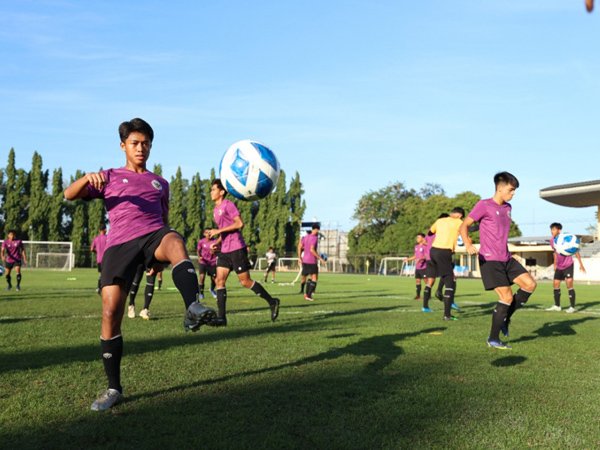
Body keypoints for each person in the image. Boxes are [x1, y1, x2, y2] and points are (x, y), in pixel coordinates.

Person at [64, 118, 215, 411]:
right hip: (119, 245)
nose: (141, 148)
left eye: (146, 143)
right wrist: (87, 178)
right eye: (135, 143)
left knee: (175, 240)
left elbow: (165, 220)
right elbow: (69, 195)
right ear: (123, 146)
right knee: (110, 313)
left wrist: (159, 262)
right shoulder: (107, 177)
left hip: (154, 236)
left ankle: (193, 306)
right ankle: (113, 388)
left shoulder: (161, 183)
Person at [460, 172, 537, 350]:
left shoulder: (508, 207)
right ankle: (493, 339)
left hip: (506, 258)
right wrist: (467, 243)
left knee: (530, 284)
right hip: (490, 259)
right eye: (511, 190)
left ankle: (505, 318)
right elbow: (464, 225)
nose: (513, 193)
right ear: (500, 188)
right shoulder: (483, 205)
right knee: (506, 296)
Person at [208, 179, 280, 326]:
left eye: (214, 189)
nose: (211, 192)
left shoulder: (228, 204)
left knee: (245, 282)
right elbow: (224, 232)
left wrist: (218, 231)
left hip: (236, 248)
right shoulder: (215, 210)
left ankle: (272, 301)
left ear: (222, 192)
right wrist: (217, 243)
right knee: (219, 281)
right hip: (225, 250)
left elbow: (239, 223)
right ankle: (222, 318)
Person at [426, 208, 464, 320]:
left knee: (445, 274)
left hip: (433, 252)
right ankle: (447, 315)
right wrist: (481, 225)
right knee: (450, 280)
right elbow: (469, 229)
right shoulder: (458, 222)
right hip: (444, 252)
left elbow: (429, 232)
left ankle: (438, 290)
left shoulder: (440, 220)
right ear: (460, 215)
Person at [546, 223, 586, 313]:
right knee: (555, 284)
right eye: (551, 229)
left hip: (568, 265)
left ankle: (572, 307)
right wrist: (555, 263)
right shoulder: (552, 240)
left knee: (569, 284)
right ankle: (557, 306)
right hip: (559, 266)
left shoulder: (566, 238)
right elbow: (555, 252)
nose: (552, 231)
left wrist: (581, 264)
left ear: (559, 230)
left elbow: (575, 250)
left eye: (554, 229)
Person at [299, 224, 326, 301]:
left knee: (309, 277)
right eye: (318, 230)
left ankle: (306, 293)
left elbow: (300, 246)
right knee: (314, 278)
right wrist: (320, 259)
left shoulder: (305, 237)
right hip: (311, 261)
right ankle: (309, 295)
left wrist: (300, 257)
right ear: (316, 229)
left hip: (305, 260)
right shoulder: (314, 238)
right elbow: (312, 249)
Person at [404, 233, 427, 300]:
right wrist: (408, 259)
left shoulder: (425, 246)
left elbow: (427, 256)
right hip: (417, 267)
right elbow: (415, 256)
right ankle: (418, 295)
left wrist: (421, 259)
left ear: (423, 238)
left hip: (424, 267)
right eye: (417, 237)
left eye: (418, 237)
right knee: (417, 281)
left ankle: (428, 295)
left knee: (426, 281)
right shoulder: (416, 246)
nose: (417, 239)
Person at [197, 229, 218, 299]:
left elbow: (219, 250)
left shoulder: (215, 241)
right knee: (202, 277)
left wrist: (215, 251)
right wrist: (199, 257)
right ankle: (201, 293)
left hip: (213, 262)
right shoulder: (201, 241)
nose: (209, 234)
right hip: (203, 261)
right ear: (204, 234)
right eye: (207, 232)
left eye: (210, 232)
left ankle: (212, 289)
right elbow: (198, 250)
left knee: (214, 279)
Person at [90, 226, 108, 294]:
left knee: (101, 274)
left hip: (99, 259)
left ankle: (99, 287)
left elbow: (92, 249)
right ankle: (101, 287)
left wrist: (97, 251)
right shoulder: (107, 238)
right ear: (104, 230)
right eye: (106, 229)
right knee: (105, 274)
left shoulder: (96, 238)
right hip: (106, 259)